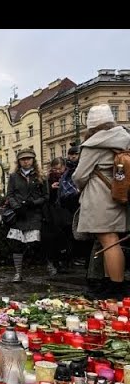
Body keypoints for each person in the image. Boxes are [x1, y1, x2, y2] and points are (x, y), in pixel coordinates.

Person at [73, 104, 130, 298]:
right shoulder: (124, 138)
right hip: (119, 194)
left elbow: (79, 175)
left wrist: (82, 188)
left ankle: (116, 286)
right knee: (112, 240)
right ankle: (110, 284)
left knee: (109, 241)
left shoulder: (94, 144)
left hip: (100, 196)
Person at [4, 149, 48, 282]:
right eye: (23, 159)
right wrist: (17, 206)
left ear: (33, 160)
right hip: (19, 214)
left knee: (36, 243)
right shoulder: (13, 176)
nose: (26, 161)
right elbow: (10, 194)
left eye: (29, 159)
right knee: (17, 244)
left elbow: (46, 196)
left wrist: (33, 203)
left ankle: (48, 264)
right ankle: (18, 273)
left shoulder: (41, 177)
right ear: (19, 162)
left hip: (34, 213)